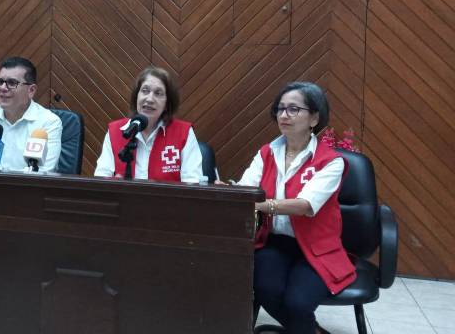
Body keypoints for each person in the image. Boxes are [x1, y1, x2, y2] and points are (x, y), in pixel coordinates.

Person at [230, 82, 355, 334]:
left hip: (317, 247)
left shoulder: (331, 161)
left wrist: (260, 204)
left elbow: (305, 206)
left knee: (298, 303)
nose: (284, 115)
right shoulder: (267, 153)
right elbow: (245, 190)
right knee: (265, 290)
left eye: (294, 109)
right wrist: (229, 192)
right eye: (280, 109)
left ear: (314, 118)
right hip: (274, 243)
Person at [94, 66, 206, 184]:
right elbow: (101, 180)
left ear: (167, 104)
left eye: (158, 93)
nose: (150, 99)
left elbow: (193, 184)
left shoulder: (183, 132)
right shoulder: (115, 131)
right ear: (137, 96)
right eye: (145, 91)